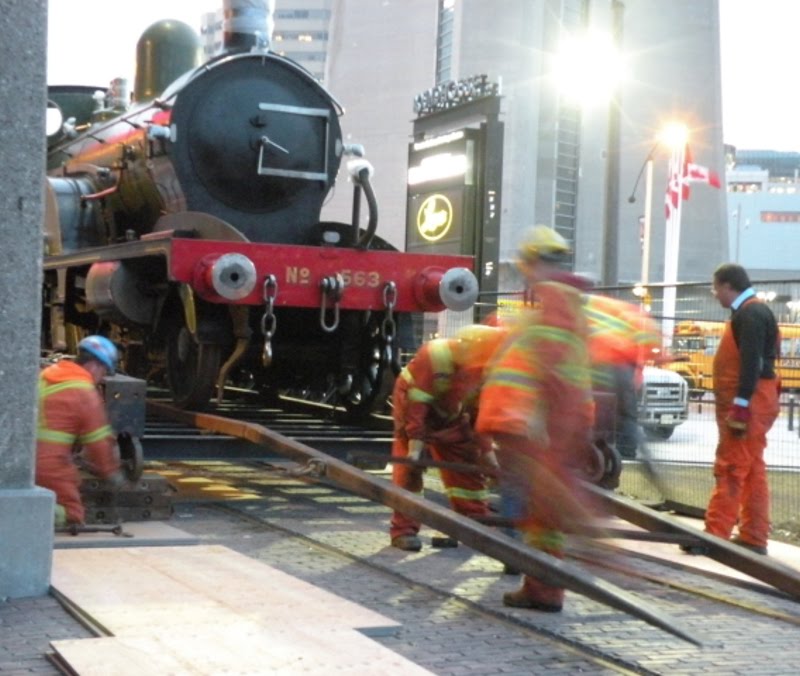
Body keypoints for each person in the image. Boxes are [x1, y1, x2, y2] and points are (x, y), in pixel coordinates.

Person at [476, 225, 597, 612]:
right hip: (558, 423)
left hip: (540, 426)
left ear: (533, 262)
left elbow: (550, 371)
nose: (526, 273)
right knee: (545, 511)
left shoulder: (555, 303)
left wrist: (532, 421)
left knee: (540, 504)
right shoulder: (568, 303)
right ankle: (543, 589)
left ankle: (547, 580)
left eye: (527, 265)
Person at [683, 263, 780, 556]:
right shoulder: (754, 312)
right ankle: (754, 536)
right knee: (752, 469)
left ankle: (715, 536)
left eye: (716, 288)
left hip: (748, 404)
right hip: (757, 400)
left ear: (728, 286)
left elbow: (752, 363)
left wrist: (740, 405)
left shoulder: (749, 314)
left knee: (731, 467)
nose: (715, 294)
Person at [389, 324, 507, 551]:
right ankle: (404, 530)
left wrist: (488, 458)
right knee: (409, 471)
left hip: (451, 415)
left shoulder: (482, 367)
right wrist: (415, 447)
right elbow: (417, 407)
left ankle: (474, 524)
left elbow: (479, 417)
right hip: (413, 411)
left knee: (466, 464)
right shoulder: (434, 356)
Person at [36, 335, 124, 527]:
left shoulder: (46, 375)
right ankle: (25, 516)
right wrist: (111, 473)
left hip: (19, 461)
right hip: (50, 466)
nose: (101, 378)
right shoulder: (84, 392)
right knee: (72, 513)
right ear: (95, 366)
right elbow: (98, 442)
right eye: (104, 372)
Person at [584, 294, 662, 458]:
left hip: (601, 367)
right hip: (624, 368)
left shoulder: (590, 307)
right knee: (627, 414)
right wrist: (658, 355)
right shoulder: (627, 311)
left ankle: (602, 450)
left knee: (603, 410)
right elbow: (650, 333)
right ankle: (626, 452)